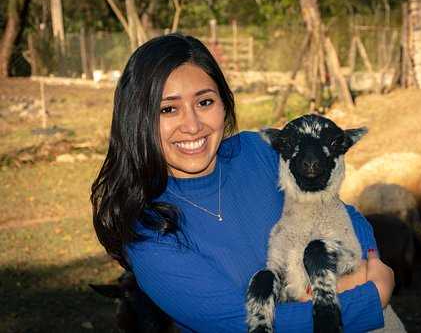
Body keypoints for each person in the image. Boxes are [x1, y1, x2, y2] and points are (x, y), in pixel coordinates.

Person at [91, 33, 395, 332]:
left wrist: (366, 264)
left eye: (205, 102)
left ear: (224, 105)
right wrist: (372, 296)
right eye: (168, 109)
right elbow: (236, 323)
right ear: (137, 120)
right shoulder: (149, 233)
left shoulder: (259, 153)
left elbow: (343, 216)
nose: (193, 125)